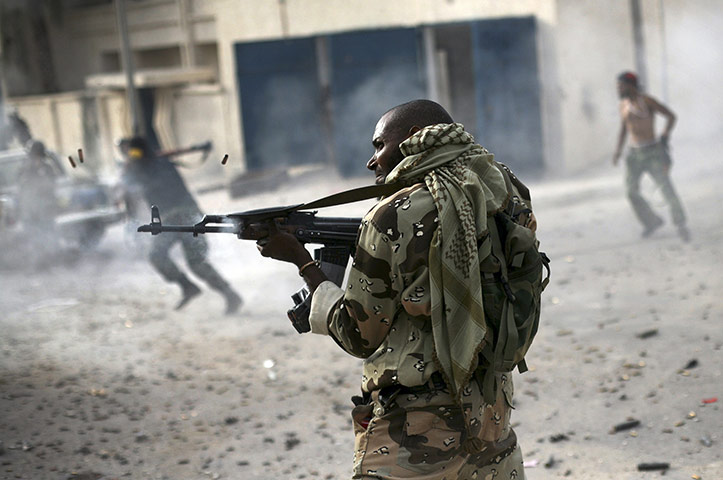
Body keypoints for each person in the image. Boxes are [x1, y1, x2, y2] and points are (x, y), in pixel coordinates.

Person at [257, 100, 527, 479]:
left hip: (416, 430)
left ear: (414, 140)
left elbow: (357, 334)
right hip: (491, 413)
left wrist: (305, 264)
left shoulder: (391, 215)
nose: (372, 161)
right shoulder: (502, 190)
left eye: (379, 145)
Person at [119, 136, 242, 314]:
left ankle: (227, 294)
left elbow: (132, 188)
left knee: (191, 262)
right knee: (163, 256)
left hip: (183, 218)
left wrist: (128, 171)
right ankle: (193, 288)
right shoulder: (154, 164)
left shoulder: (146, 169)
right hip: (181, 218)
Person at [612, 71, 689, 241]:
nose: (618, 89)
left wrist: (665, 134)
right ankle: (652, 222)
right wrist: (618, 151)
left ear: (631, 86)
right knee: (631, 192)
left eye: (621, 86)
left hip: (653, 152)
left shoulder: (647, 101)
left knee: (666, 187)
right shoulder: (623, 105)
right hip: (634, 154)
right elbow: (624, 129)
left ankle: (681, 223)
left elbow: (670, 116)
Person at [16, 140, 63, 266]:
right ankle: (37, 262)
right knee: (33, 237)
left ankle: (52, 260)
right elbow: (22, 188)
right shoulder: (25, 169)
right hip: (30, 210)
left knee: (49, 235)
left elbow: (52, 186)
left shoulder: (47, 168)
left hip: (45, 209)